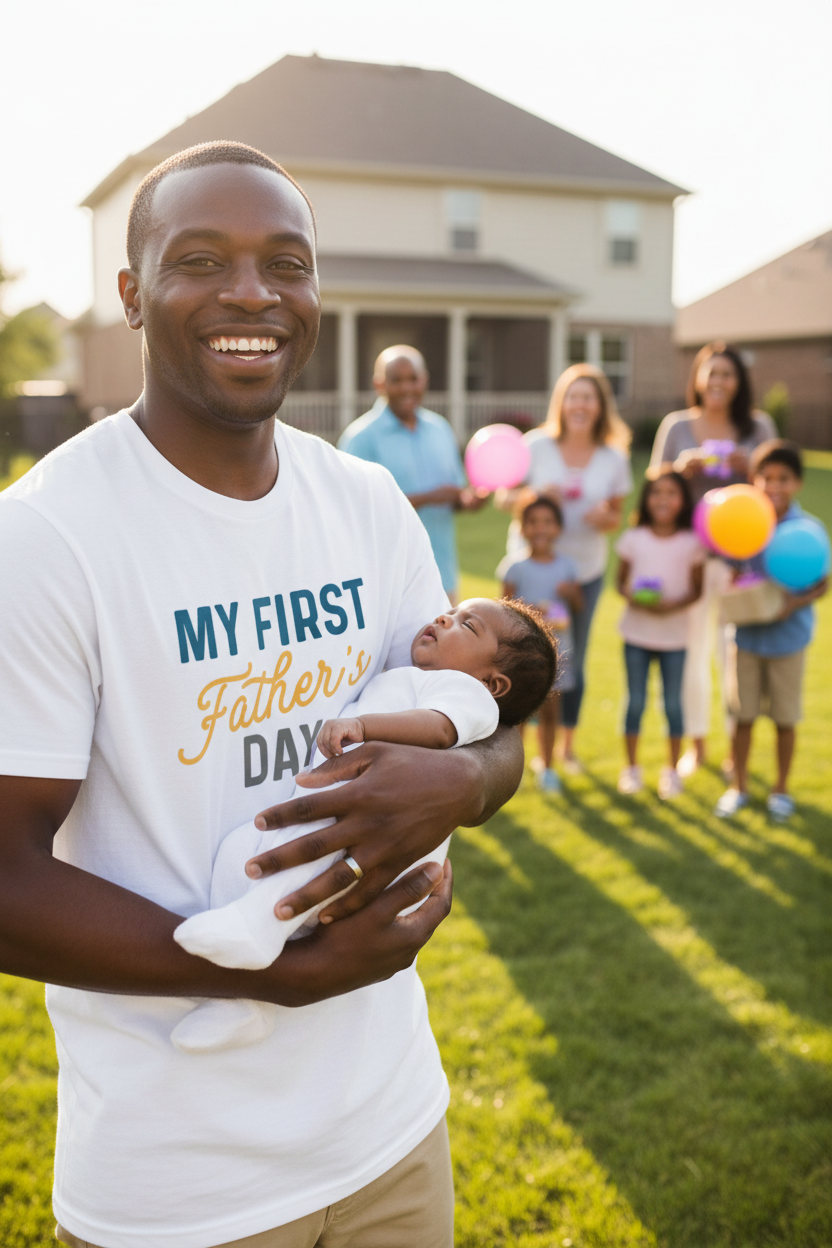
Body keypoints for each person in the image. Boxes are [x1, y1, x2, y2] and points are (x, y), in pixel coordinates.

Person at [0, 141, 526, 1248]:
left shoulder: (367, 500)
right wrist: (269, 976)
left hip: (393, 1127)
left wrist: (465, 786)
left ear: (317, 295)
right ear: (133, 295)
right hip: (183, 1185)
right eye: (202, 259)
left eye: (286, 263)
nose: (252, 292)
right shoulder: (48, 537)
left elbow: (488, 733)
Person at [173, 597, 557, 1053]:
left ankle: (259, 924)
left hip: (369, 831)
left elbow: (439, 730)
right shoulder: (417, 678)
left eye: (465, 625)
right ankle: (241, 1001)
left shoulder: (465, 694)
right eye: (451, 612)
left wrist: (362, 724)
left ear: (494, 683)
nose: (441, 617)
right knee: (242, 852)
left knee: (302, 855)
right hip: (330, 812)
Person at [496, 363, 633, 773]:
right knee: (519, 659)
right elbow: (503, 497)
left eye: (588, 397)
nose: (580, 404)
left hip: (581, 575)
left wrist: (602, 518)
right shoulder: (536, 446)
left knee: (573, 660)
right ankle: (514, 748)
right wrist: (535, 493)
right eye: (573, 395)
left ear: (599, 406)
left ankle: (565, 747)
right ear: (562, 402)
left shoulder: (614, 456)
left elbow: (616, 517)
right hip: (531, 570)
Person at [650, 343, 776, 776]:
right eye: (712, 373)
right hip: (690, 558)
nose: (719, 381)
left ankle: (731, 751)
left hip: (743, 561)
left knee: (733, 657)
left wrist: (752, 468)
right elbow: (654, 487)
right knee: (693, 654)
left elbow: (776, 486)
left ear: (739, 382)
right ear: (699, 378)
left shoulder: (758, 427)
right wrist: (678, 471)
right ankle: (696, 745)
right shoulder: (677, 426)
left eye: (728, 374)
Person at [716, 440, 828, 822]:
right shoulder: (745, 520)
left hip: (788, 640)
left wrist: (791, 605)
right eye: (766, 477)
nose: (774, 485)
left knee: (785, 719)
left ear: (797, 483)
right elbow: (732, 566)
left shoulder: (808, 528)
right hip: (745, 638)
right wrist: (738, 584)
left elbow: (822, 581)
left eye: (784, 478)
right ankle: (739, 787)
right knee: (741, 716)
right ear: (754, 480)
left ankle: (780, 789)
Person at [338, 346, 486, 604]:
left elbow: (455, 495)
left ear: (424, 380)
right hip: (387, 586)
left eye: (413, 379)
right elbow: (350, 513)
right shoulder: (360, 438)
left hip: (443, 577)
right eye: (397, 380)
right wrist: (429, 497)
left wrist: (468, 501)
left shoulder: (440, 429)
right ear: (379, 384)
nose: (407, 388)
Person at [614, 470, 705, 799]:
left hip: (675, 637)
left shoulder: (692, 542)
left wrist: (673, 606)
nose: (663, 499)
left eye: (671, 493)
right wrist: (635, 598)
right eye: (656, 492)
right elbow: (620, 582)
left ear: (683, 500)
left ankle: (671, 770)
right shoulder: (634, 537)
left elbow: (697, 590)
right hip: (636, 634)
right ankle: (632, 769)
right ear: (646, 498)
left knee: (673, 706)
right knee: (635, 702)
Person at [497, 495, 582, 793]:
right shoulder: (515, 568)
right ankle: (514, 768)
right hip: (522, 655)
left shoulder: (567, 567)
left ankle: (547, 767)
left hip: (557, 653)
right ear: (522, 528)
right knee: (518, 713)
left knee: (550, 712)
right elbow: (503, 611)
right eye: (532, 522)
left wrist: (571, 594)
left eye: (548, 522)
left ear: (558, 527)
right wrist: (534, 612)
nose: (540, 528)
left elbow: (578, 607)